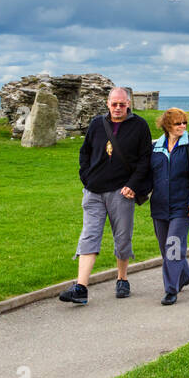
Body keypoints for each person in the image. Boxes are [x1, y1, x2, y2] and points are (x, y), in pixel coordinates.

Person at [57, 87, 152, 306]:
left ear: (128, 104)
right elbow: (85, 152)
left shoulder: (139, 126)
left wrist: (133, 185)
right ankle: (81, 287)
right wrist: (86, 178)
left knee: (122, 237)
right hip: (94, 191)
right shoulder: (97, 124)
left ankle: (122, 278)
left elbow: (145, 160)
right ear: (107, 104)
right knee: (89, 235)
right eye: (114, 104)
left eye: (122, 104)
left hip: (122, 191)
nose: (118, 108)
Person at [149, 107, 189, 305]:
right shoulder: (156, 147)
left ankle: (171, 290)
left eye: (184, 123)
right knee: (166, 248)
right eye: (177, 123)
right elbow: (150, 175)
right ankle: (184, 274)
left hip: (182, 206)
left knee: (173, 246)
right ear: (167, 126)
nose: (182, 126)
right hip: (159, 206)